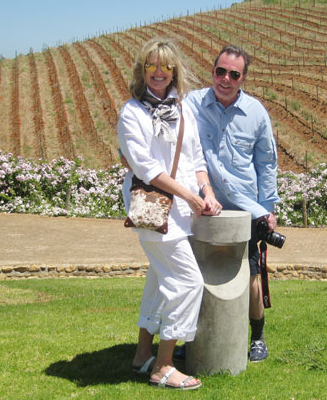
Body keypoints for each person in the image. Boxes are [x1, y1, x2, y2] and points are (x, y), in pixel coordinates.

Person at [117, 37, 222, 390]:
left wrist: (205, 192)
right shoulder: (131, 112)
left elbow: (194, 158)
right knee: (188, 282)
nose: (158, 72)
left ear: (174, 70)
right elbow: (145, 167)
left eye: (165, 66)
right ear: (141, 70)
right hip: (152, 206)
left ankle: (141, 354)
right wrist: (189, 196)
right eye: (151, 65)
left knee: (160, 279)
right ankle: (163, 366)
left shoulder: (182, 110)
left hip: (182, 206)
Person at [183, 44, 280, 362]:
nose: (225, 79)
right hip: (198, 206)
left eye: (233, 74)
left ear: (243, 78)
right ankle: (187, 337)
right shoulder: (192, 104)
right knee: (193, 274)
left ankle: (258, 338)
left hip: (244, 210)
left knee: (250, 275)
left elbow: (267, 163)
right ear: (212, 71)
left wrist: (268, 209)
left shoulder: (256, 113)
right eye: (220, 71)